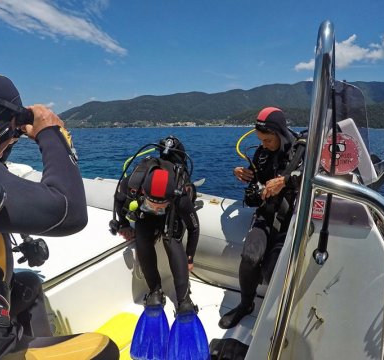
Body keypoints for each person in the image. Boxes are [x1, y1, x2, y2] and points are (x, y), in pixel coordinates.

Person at [0, 72, 119, 359]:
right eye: (12, 138)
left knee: (29, 285)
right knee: (104, 349)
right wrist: (51, 133)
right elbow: (68, 211)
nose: (9, 147)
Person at [218, 107, 306, 329]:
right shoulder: (262, 153)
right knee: (249, 258)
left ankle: (280, 314)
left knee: (273, 268)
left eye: (268, 140)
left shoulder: (304, 151)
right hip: (267, 214)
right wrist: (244, 174)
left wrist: (285, 181)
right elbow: (256, 182)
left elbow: (317, 176)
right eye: (261, 140)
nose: (264, 144)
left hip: (293, 219)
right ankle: (246, 304)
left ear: (280, 132)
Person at [114, 137, 200, 313]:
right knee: (142, 238)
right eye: (152, 204)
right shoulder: (134, 183)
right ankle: (155, 290)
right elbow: (119, 198)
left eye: (160, 206)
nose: (156, 209)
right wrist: (123, 224)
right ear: (143, 193)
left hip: (172, 215)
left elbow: (194, 227)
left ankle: (184, 298)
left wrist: (190, 257)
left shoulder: (180, 197)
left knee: (172, 241)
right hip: (146, 215)